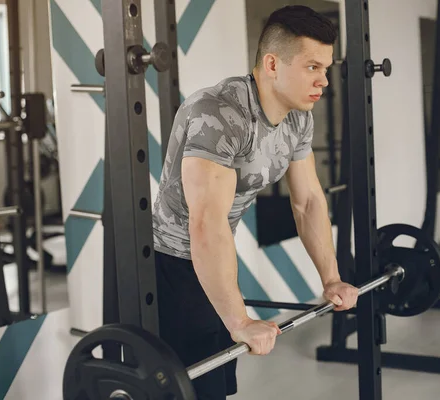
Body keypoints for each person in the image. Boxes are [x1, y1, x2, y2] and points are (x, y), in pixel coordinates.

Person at [151, 5, 358, 399]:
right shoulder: (218, 113)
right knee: (188, 388)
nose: (324, 81)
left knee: (217, 385)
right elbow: (206, 223)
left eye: (326, 69)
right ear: (272, 63)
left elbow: (309, 202)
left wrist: (330, 278)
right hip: (166, 262)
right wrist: (240, 321)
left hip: (210, 256)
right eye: (313, 67)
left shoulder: (299, 118)